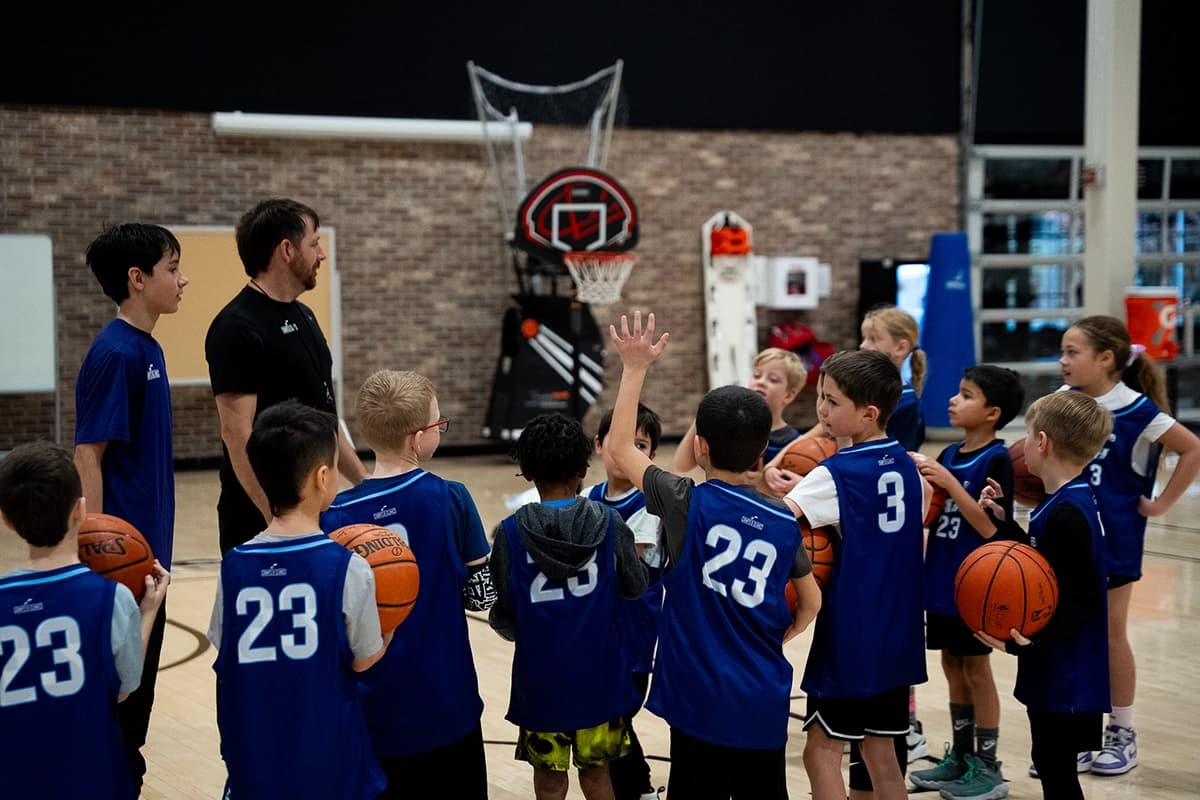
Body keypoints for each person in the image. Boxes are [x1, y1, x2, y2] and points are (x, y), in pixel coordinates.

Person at [608, 311, 822, 800]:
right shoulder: (784, 520)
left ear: (700, 446)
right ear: (763, 451)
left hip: (699, 697)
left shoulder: (683, 501)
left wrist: (635, 368)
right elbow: (810, 603)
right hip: (763, 694)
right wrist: (785, 632)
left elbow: (620, 449)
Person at [318, 370, 494, 798]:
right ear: (417, 439)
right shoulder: (451, 497)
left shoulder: (335, 514)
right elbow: (483, 594)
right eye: (439, 424)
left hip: (371, 709)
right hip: (445, 704)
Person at [208, 400, 389, 799]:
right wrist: (391, 619)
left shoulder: (234, 566)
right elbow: (365, 659)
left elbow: (224, 652)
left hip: (255, 758)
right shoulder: (347, 567)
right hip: (329, 758)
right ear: (323, 477)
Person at [781, 349, 929, 800]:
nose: (821, 409)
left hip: (853, 633)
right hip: (899, 631)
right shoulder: (907, 463)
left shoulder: (836, 474)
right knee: (881, 752)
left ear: (867, 414)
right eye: (821, 397)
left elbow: (777, 524)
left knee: (820, 752)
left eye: (832, 402)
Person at [1056, 315, 1200, 775]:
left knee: (1110, 634)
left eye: (1072, 352)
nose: (1063, 361)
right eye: (1062, 351)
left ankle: (1122, 732)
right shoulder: (1062, 402)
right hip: (1065, 535)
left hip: (1113, 541)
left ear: (1106, 359)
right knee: (1069, 635)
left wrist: (1160, 505)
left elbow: (1192, 447)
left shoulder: (1139, 411)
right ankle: (1079, 733)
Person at [73, 222, 186, 794]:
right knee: (120, 707)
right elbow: (88, 452)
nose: (182, 279)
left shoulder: (149, 347)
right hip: (121, 562)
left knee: (132, 705)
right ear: (137, 280)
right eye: (172, 268)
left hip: (150, 557)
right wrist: (95, 543)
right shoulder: (115, 353)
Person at [489, 412, 648, 800]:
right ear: (583, 467)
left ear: (525, 470)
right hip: (600, 681)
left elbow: (505, 608)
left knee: (549, 783)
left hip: (541, 684)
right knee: (598, 778)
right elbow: (635, 586)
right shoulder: (610, 524)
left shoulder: (510, 533)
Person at [0, 441, 169, 800]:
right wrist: (149, 611)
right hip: (91, 775)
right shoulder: (111, 598)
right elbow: (124, 687)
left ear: (6, 520)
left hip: (15, 775)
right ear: (81, 511)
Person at [205, 198, 367, 554]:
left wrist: (365, 485)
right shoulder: (236, 327)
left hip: (313, 517)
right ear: (287, 250)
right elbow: (236, 434)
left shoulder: (305, 316)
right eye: (315, 244)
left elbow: (326, 418)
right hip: (262, 522)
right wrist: (276, 520)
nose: (321, 255)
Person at [975, 390, 1114, 800]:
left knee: (1056, 769)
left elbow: (1081, 599)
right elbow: (1041, 565)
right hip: (1064, 663)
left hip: (1066, 670)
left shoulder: (1068, 513)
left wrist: (1027, 644)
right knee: (1052, 763)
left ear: (1042, 442)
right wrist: (1003, 524)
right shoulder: (1067, 500)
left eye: (1027, 433)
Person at [907, 365, 1024, 798]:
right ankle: (959, 756)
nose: (954, 400)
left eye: (966, 395)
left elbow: (992, 528)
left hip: (979, 582)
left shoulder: (997, 458)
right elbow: (933, 514)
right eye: (957, 392)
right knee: (951, 663)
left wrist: (952, 487)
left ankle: (988, 764)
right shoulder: (950, 455)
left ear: (992, 413)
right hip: (941, 577)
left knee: (976, 666)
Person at [858, 303, 928, 767]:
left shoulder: (901, 405)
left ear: (900, 348)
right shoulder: (888, 398)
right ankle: (900, 721)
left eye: (872, 339)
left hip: (890, 528)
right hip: (880, 523)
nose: (863, 346)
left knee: (888, 629)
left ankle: (909, 726)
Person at [589, 404, 665, 800]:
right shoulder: (587, 497)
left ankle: (641, 789)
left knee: (617, 715)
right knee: (606, 716)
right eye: (618, 442)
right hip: (594, 635)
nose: (625, 451)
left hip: (633, 637)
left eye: (638, 445)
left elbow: (621, 565)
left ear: (649, 458)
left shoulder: (649, 507)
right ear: (600, 444)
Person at [672, 347, 806, 473]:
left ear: (789, 395)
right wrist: (705, 410)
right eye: (757, 375)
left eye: (773, 379)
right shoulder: (728, 425)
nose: (761, 382)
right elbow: (682, 465)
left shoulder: (796, 443)